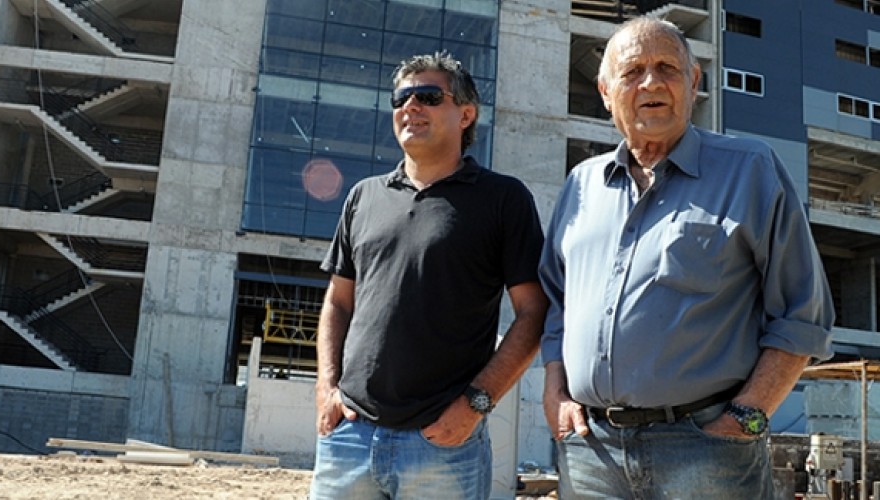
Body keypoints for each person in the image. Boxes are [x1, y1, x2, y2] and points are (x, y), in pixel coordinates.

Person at [538, 17, 834, 499]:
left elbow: (803, 311)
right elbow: (557, 303)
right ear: (606, 91)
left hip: (705, 447)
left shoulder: (751, 170)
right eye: (632, 71)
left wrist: (748, 414)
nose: (651, 82)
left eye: (666, 68)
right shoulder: (580, 185)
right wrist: (556, 393)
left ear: (693, 82)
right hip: (590, 451)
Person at [310, 52, 548, 499]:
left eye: (429, 96)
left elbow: (533, 314)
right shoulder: (364, 197)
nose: (411, 106)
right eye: (402, 98)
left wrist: (476, 406)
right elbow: (338, 303)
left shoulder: (503, 199)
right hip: (350, 437)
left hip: (443, 443)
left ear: (466, 114)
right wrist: (326, 388)